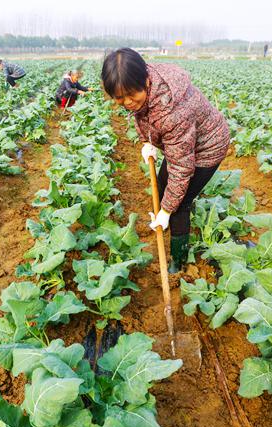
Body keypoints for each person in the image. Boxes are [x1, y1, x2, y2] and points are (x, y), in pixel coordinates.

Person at [100, 47, 230, 273]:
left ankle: (177, 263)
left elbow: (181, 168)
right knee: (162, 185)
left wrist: (168, 210)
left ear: (146, 81)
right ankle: (167, 222)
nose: (128, 102)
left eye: (132, 95)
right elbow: (142, 114)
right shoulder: (146, 83)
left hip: (208, 147)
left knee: (179, 203)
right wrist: (146, 141)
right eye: (120, 97)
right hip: (183, 145)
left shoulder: (172, 111)